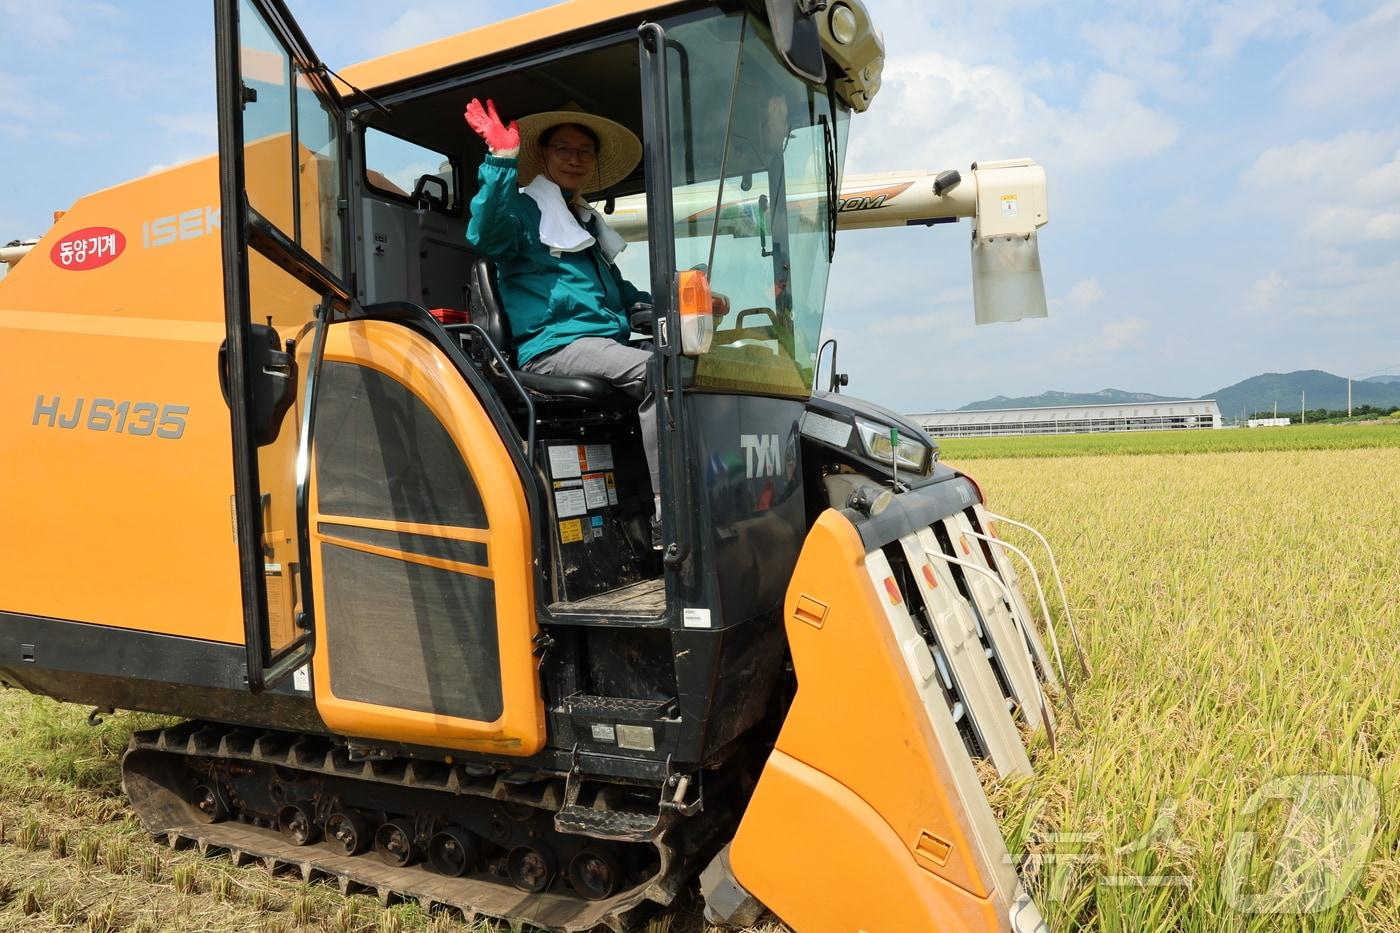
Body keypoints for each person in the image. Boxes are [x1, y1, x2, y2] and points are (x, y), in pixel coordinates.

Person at [462, 98, 662, 545]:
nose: (574, 158)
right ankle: (674, 514)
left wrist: (680, 307)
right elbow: (485, 233)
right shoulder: (524, 211)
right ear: (544, 155)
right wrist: (500, 161)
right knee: (656, 372)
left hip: (602, 348)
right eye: (562, 149)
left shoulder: (582, 225)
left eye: (584, 152)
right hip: (554, 349)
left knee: (693, 367)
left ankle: (654, 509)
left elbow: (625, 299)